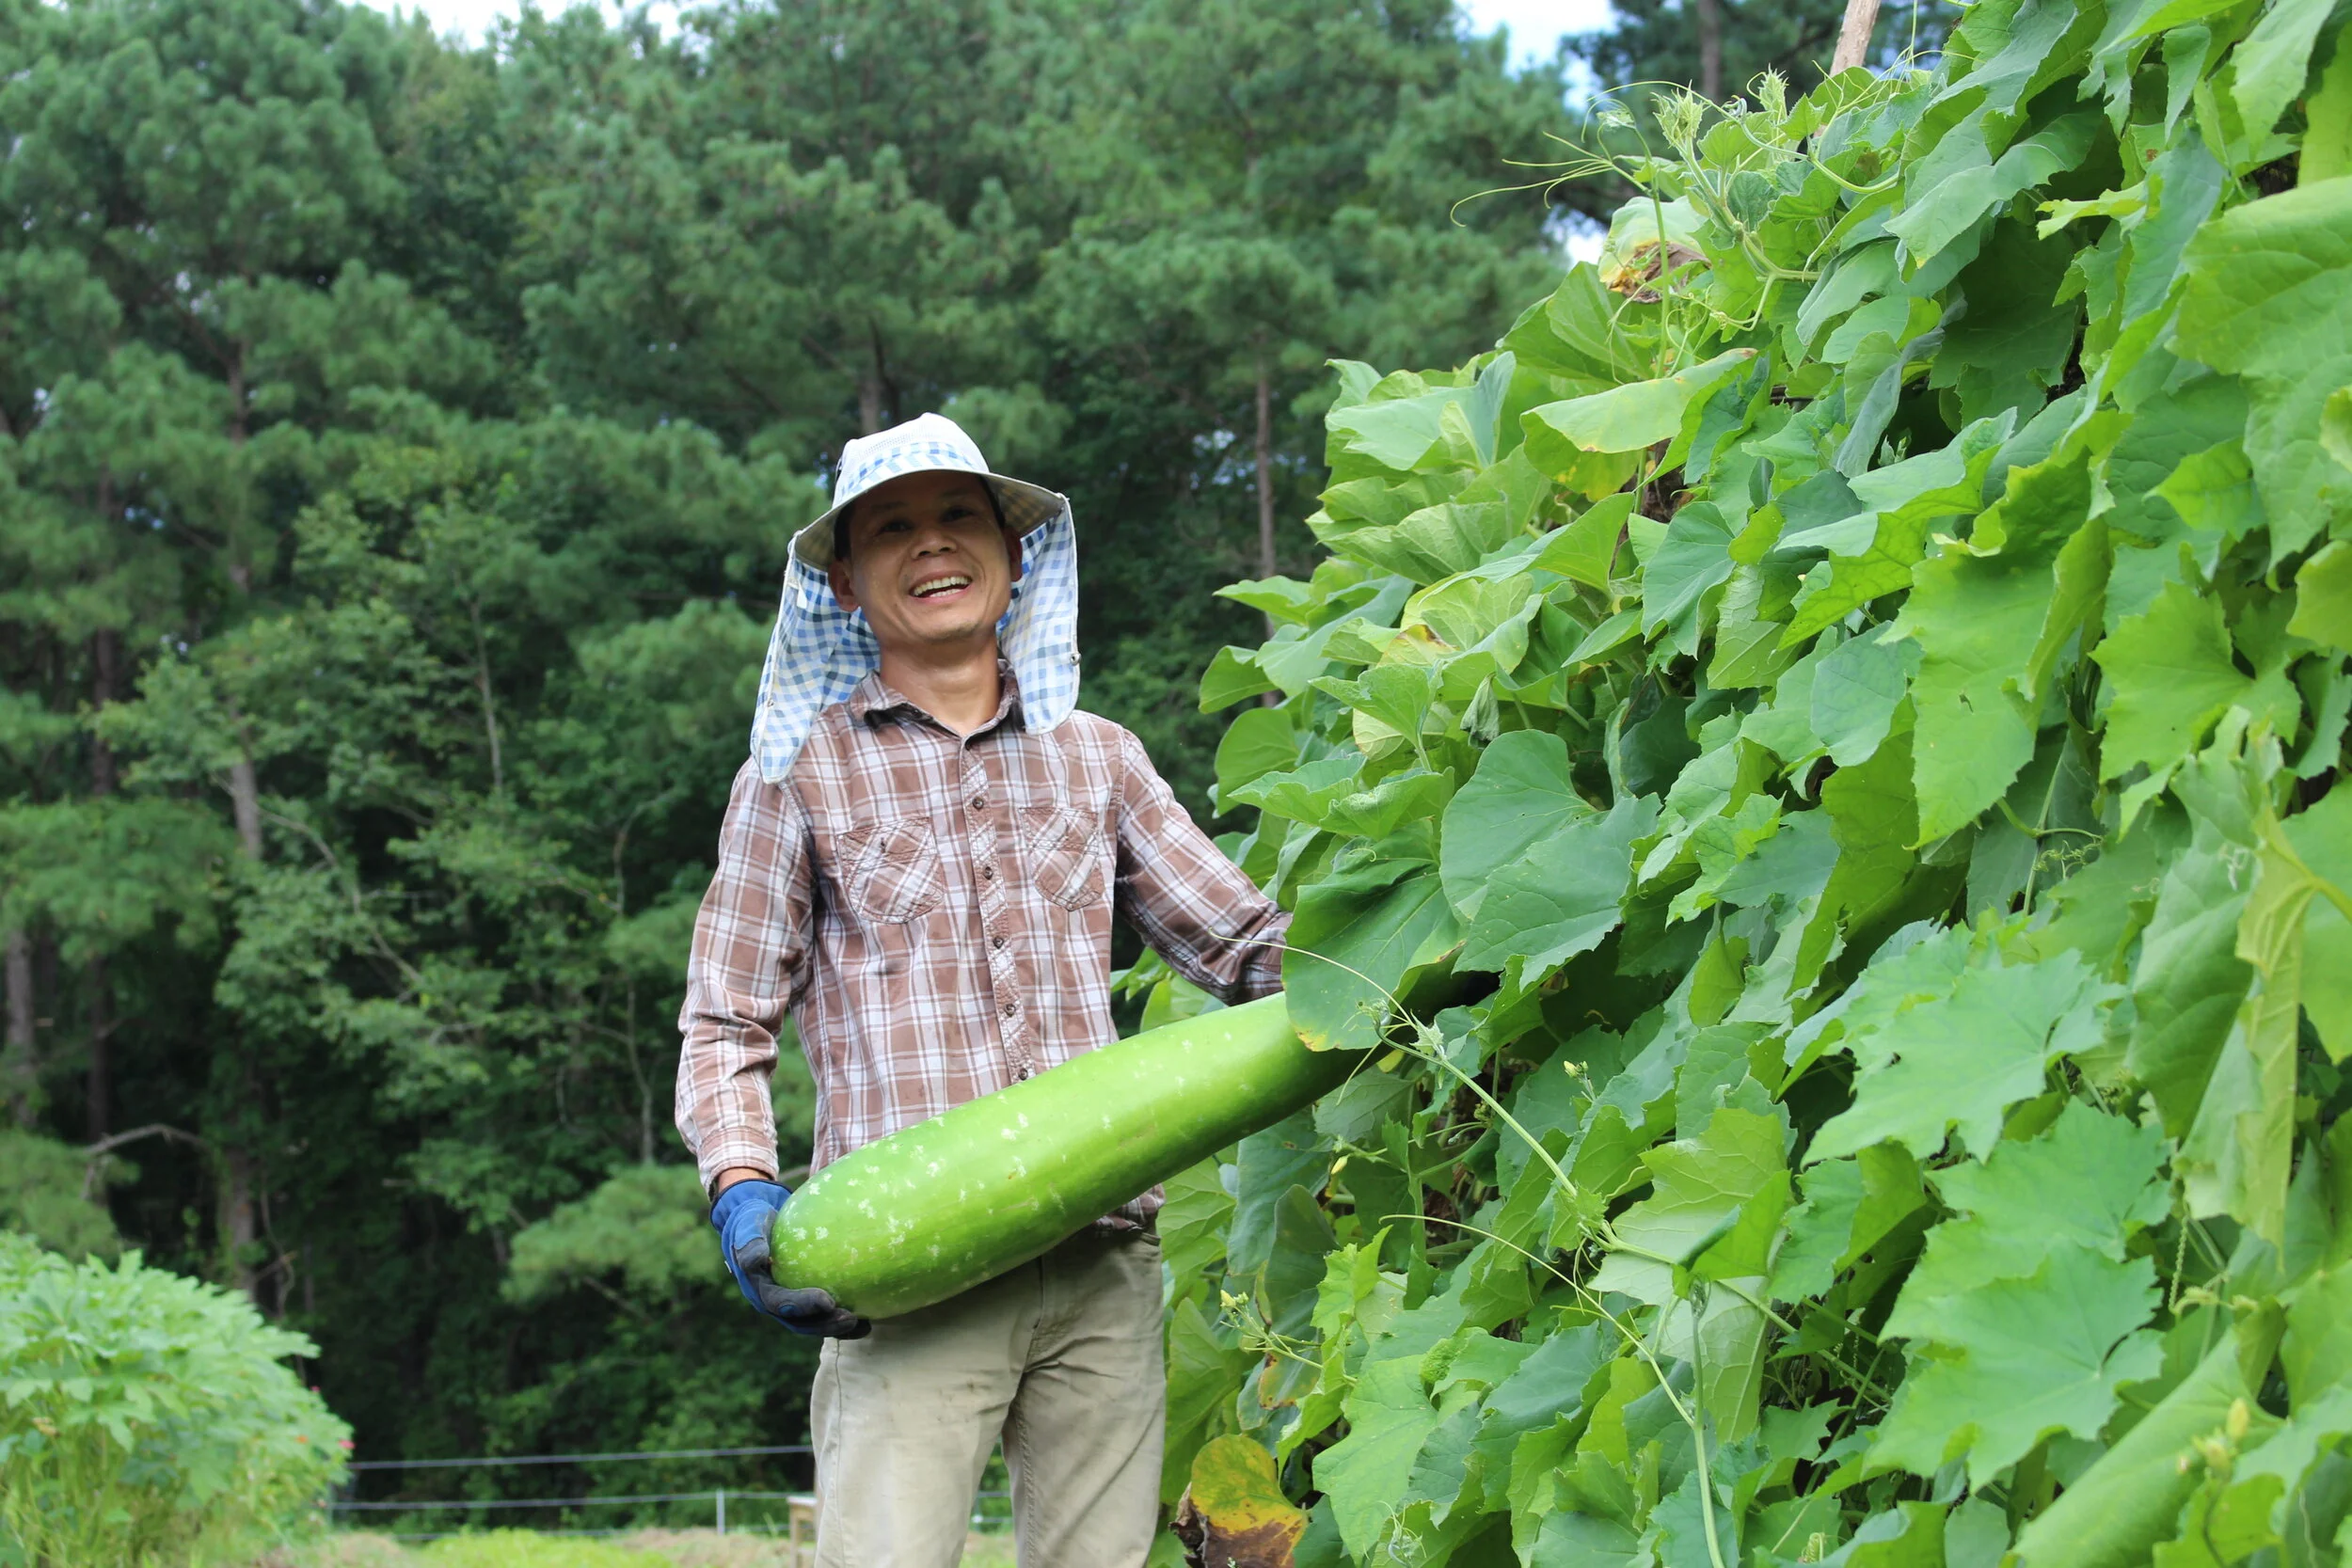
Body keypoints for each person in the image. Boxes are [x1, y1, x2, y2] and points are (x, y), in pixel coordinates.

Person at [673, 414, 1289, 1568]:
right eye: (891, 528)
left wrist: (1404, 968)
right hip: (907, 1274)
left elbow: (1248, 945)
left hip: (1102, 1266)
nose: (932, 545)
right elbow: (726, 1015)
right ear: (847, 584)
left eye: (959, 516)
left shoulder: (1098, 755)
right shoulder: (795, 774)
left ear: (1012, 555)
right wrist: (745, 1188)